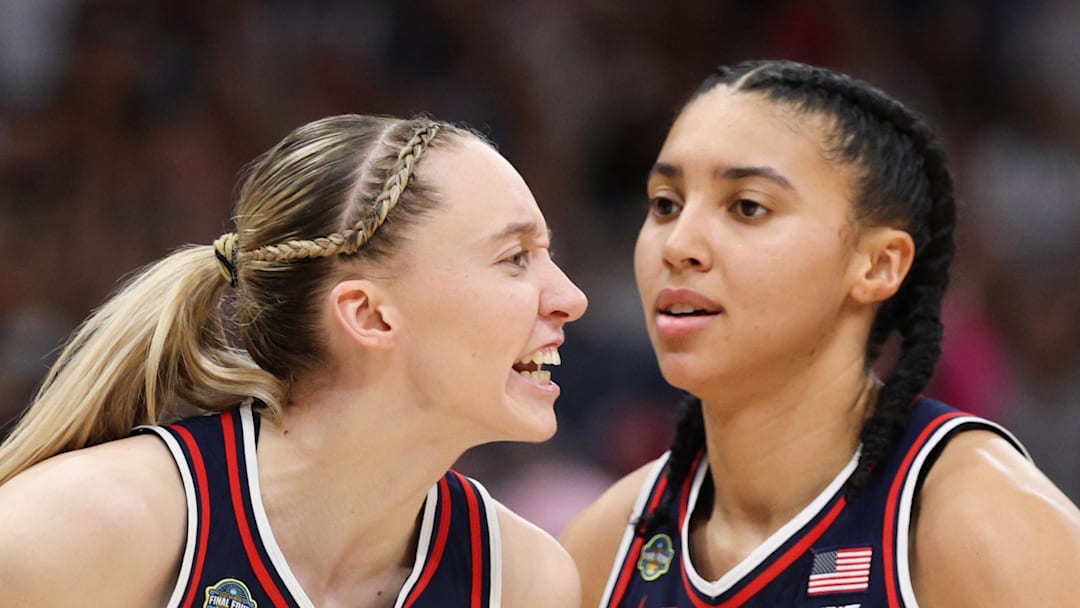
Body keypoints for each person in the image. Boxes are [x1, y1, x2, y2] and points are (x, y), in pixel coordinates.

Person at [0, 114, 587, 607]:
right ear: (369, 315)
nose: (570, 298)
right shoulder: (70, 532)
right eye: (515, 257)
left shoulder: (525, 582)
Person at [560, 59, 1080, 607]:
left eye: (747, 206)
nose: (677, 244)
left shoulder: (978, 520)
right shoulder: (605, 544)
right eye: (666, 204)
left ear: (879, 264)